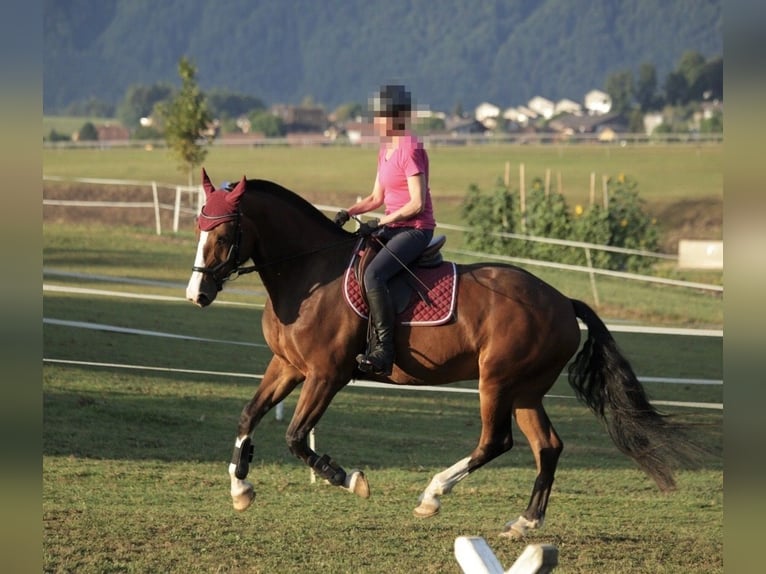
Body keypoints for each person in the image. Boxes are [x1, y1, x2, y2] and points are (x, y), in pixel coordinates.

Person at [334, 84, 437, 376]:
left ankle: (384, 350)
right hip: (394, 226)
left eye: (381, 115)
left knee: (373, 274)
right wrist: (348, 212)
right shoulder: (385, 150)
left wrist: (380, 222)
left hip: (415, 229)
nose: (377, 121)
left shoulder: (411, 149)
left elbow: (416, 204)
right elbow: (376, 198)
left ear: (396, 117)